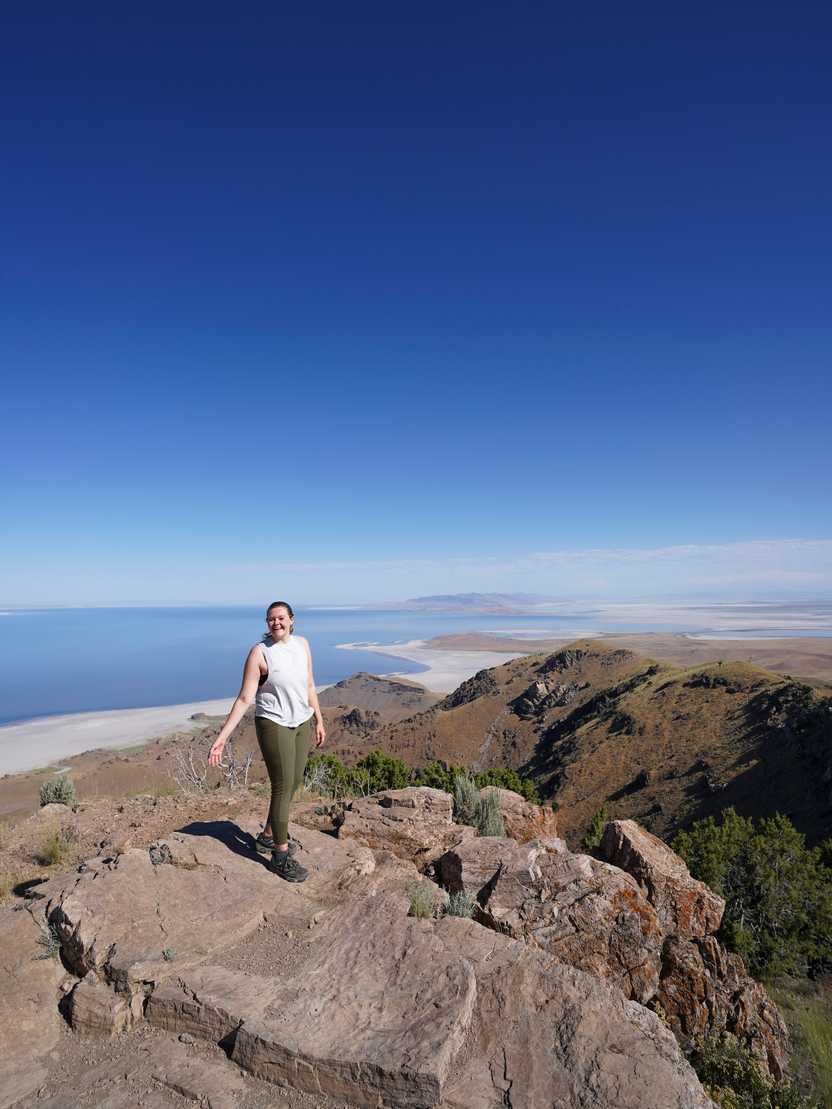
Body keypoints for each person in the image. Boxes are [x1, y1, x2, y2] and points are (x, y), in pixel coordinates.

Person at [208, 600, 326, 882]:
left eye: (281, 618)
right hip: (273, 723)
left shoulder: (303, 645)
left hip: (302, 722)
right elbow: (245, 698)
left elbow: (309, 684)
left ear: (292, 620)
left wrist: (319, 719)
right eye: (271, 619)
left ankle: (266, 838)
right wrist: (221, 738)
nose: (276, 623)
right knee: (283, 786)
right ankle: (280, 856)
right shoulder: (260, 654)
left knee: (295, 782)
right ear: (267, 624)